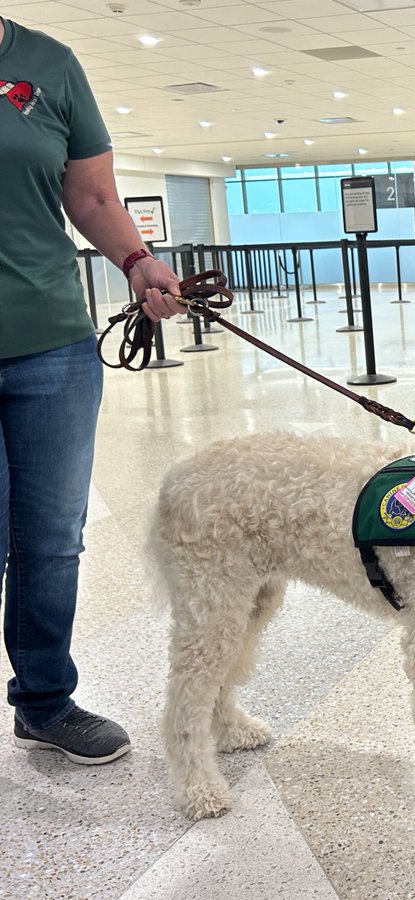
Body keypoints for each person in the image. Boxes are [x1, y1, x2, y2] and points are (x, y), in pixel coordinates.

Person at [1, 16, 185, 765]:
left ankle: (45, 702)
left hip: (51, 342)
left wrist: (137, 259)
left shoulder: (48, 63)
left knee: (49, 541)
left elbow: (92, 194)